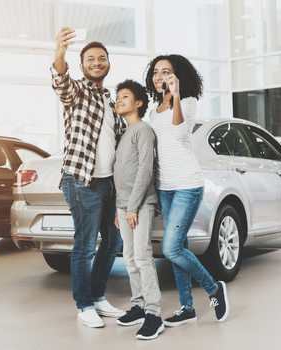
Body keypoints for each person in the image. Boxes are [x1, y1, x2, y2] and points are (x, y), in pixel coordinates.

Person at [145, 54, 229, 327]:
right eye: (156, 72)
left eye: (165, 71)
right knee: (178, 247)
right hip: (165, 186)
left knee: (170, 248)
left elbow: (180, 133)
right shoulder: (153, 109)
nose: (160, 76)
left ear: (177, 75)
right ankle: (187, 308)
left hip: (187, 184)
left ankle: (214, 289)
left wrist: (177, 96)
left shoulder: (188, 101)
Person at [51, 27, 126, 328]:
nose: (97, 62)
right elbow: (61, 83)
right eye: (91, 59)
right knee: (85, 245)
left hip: (108, 182)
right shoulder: (78, 91)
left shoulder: (111, 100)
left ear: (109, 63)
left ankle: (97, 298)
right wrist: (59, 54)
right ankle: (83, 305)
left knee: (113, 240)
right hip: (82, 180)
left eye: (102, 58)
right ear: (82, 66)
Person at [113, 79, 163, 340]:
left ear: (139, 102)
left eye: (124, 97)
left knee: (143, 257)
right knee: (130, 258)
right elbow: (121, 173)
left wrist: (132, 206)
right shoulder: (124, 133)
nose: (118, 101)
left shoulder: (144, 130)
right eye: (117, 97)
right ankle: (139, 306)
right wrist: (119, 209)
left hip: (140, 205)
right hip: (125, 207)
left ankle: (154, 314)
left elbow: (145, 170)